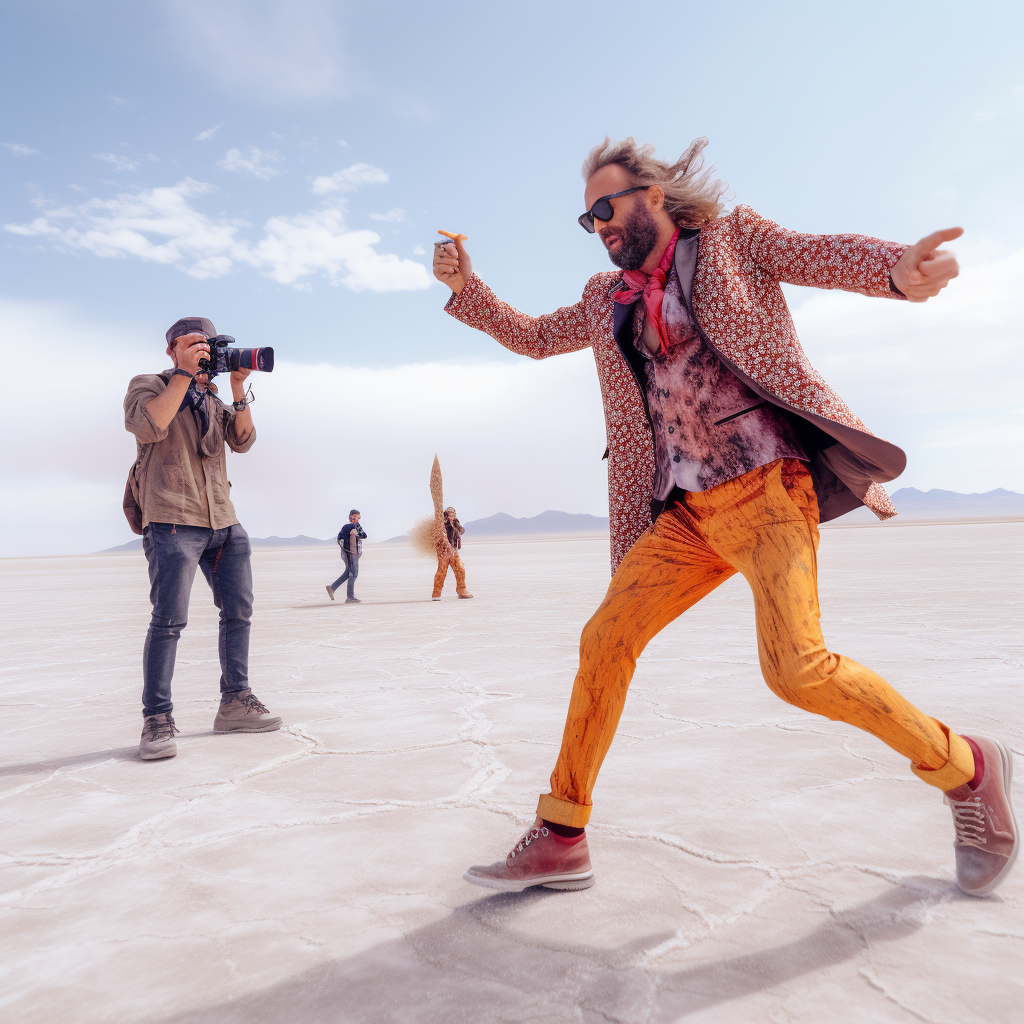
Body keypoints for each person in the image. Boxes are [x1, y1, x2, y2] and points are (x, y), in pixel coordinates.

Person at [432, 137, 1017, 898]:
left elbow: (821, 253)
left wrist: (896, 270)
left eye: (607, 207)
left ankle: (966, 766)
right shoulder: (604, 297)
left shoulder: (733, 240)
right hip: (683, 516)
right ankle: (562, 830)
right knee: (605, 639)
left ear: (656, 194)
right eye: (587, 219)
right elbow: (534, 338)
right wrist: (469, 287)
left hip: (768, 490)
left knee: (797, 670)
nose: (599, 225)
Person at [124, 317, 283, 761]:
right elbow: (149, 426)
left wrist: (235, 387)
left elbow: (244, 441)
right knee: (169, 621)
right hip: (173, 518)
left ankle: (235, 702)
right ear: (172, 349)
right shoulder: (148, 384)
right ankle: (156, 719)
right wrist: (183, 376)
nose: (203, 351)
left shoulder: (212, 396)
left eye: (207, 345)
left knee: (238, 613)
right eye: (194, 344)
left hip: (223, 521)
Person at [433, 506, 473, 601]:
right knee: (442, 570)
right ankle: (436, 593)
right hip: (444, 551)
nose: (452, 515)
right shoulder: (442, 524)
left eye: (454, 514)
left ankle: (462, 590)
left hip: (453, 550)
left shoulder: (455, 523)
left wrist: (458, 526)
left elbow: (461, 531)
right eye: (451, 514)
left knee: (460, 568)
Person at [327, 510, 366, 603]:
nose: (355, 519)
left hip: (351, 553)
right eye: (353, 517)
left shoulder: (353, 527)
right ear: (349, 518)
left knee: (348, 573)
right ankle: (350, 597)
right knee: (354, 573)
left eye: (357, 517)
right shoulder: (349, 527)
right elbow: (341, 538)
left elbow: (363, 535)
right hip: (351, 553)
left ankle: (332, 587)